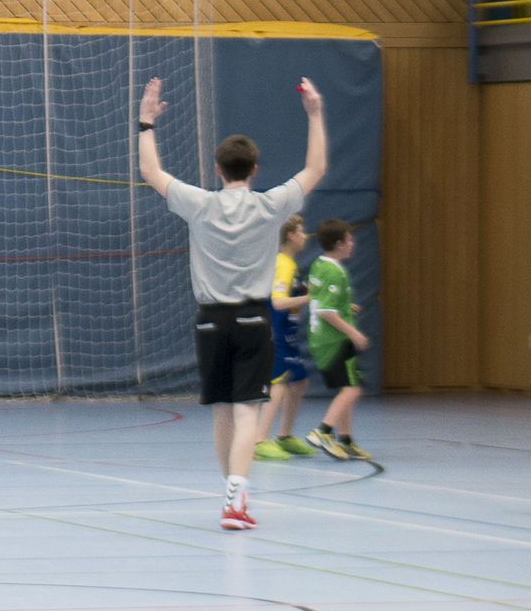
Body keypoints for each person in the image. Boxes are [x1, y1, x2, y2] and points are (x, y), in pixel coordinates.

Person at [137, 75, 327, 530]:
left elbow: (151, 172)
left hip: (210, 321)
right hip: (253, 320)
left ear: (218, 169)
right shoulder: (269, 206)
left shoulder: (200, 204)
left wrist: (146, 123)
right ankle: (236, 498)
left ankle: (232, 496)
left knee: (223, 410)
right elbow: (316, 169)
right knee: (247, 412)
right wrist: (315, 114)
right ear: (254, 169)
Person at [304, 220, 372, 462]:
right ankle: (323, 431)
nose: (353, 243)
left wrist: (345, 306)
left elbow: (320, 299)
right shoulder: (336, 272)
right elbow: (326, 311)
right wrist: (354, 333)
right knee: (352, 389)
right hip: (334, 341)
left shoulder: (319, 264)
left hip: (320, 339)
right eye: (349, 239)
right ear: (339, 244)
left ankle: (346, 439)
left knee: (347, 388)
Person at [256, 215, 316, 461]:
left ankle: (285, 436)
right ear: (291, 236)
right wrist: (309, 298)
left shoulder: (292, 265)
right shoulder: (283, 264)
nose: (305, 236)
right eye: (301, 231)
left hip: (289, 332)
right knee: (279, 383)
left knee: (299, 382)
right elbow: (279, 302)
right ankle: (260, 441)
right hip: (277, 332)